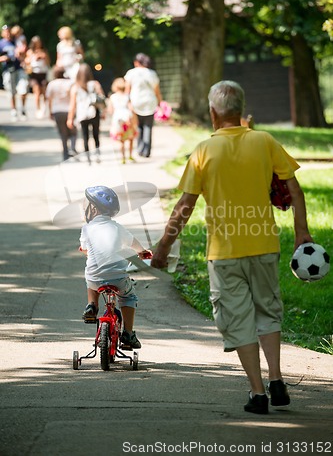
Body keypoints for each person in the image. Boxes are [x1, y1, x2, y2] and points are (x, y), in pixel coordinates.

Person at [151, 80, 313, 415]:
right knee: (267, 311)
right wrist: (301, 234)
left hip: (224, 253)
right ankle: (277, 379)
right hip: (264, 245)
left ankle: (258, 393)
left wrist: (164, 246)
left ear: (213, 113)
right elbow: (294, 190)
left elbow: (185, 205)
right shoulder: (265, 141)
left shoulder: (204, 151)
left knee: (237, 320)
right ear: (240, 110)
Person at [80, 185, 152, 349]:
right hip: (118, 278)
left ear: (93, 209)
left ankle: (92, 306)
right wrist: (142, 252)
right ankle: (128, 333)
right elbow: (133, 243)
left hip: (95, 277)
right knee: (128, 297)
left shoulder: (87, 229)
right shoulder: (118, 228)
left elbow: (85, 249)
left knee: (91, 279)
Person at [124, 53, 162, 158]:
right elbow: (157, 91)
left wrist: (127, 103)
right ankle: (146, 151)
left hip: (135, 102)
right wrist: (160, 103)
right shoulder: (152, 73)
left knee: (138, 126)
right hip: (150, 102)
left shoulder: (131, 73)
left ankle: (140, 149)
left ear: (136, 62)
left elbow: (127, 90)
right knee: (148, 126)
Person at [66, 63, 105, 164]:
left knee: (85, 136)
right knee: (96, 135)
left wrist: (70, 118)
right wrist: (103, 112)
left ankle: (88, 158)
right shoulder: (95, 84)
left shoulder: (75, 87)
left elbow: (72, 105)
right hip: (94, 112)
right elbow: (102, 99)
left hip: (82, 114)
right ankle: (97, 154)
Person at [45, 66, 77, 161]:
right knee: (73, 132)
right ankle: (73, 148)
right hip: (69, 110)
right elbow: (74, 98)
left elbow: (49, 99)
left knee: (62, 133)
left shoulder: (52, 84)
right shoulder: (70, 83)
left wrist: (50, 111)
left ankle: (65, 153)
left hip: (57, 110)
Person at [0, 25, 29, 121]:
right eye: (5, 32)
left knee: (23, 88)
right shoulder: (1, 44)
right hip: (8, 69)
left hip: (19, 68)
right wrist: (4, 58)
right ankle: (14, 111)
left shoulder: (17, 41)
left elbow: (25, 52)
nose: (7, 34)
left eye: (9, 31)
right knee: (11, 91)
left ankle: (23, 109)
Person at [108, 77, 137, 164]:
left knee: (121, 139)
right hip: (127, 117)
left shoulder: (112, 97)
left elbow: (110, 110)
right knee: (130, 137)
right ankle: (130, 155)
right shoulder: (127, 96)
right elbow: (131, 108)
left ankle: (123, 157)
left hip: (117, 118)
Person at [25, 35, 50, 119]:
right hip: (34, 73)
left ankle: (44, 107)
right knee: (37, 91)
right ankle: (38, 109)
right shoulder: (30, 52)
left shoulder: (44, 51)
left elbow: (48, 62)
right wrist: (34, 57)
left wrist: (43, 56)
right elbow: (27, 62)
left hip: (43, 73)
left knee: (44, 91)